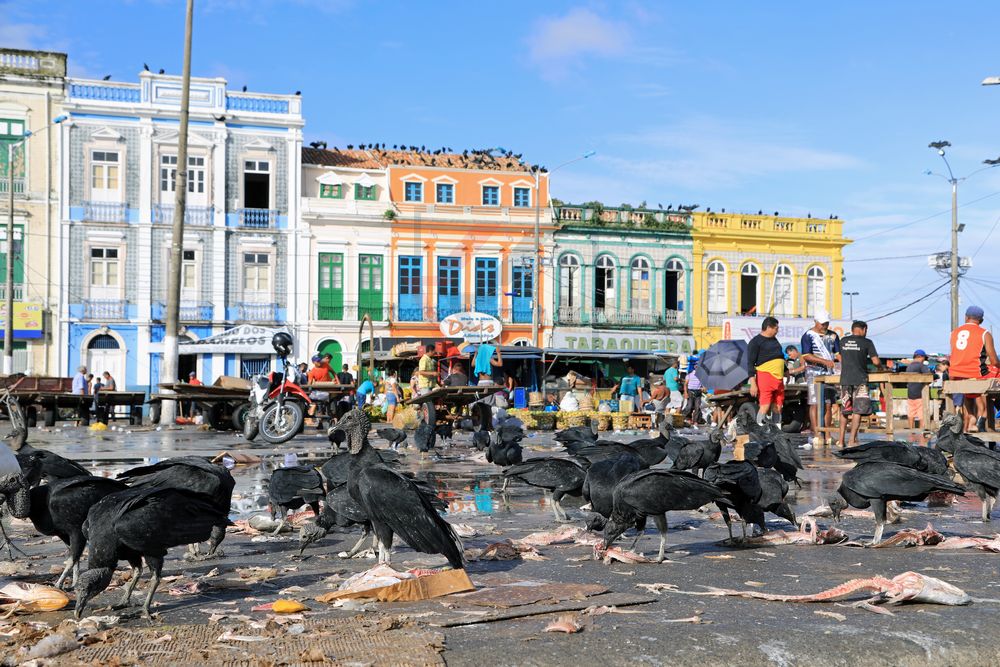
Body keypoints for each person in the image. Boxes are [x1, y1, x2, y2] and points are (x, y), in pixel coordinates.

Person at [949, 306, 1000, 432]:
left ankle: (971, 416)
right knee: (986, 386)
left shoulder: (954, 333)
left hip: (955, 374)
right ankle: (983, 418)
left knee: (968, 387)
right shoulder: (984, 333)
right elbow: (994, 361)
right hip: (976, 374)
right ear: (981, 320)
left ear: (966, 317)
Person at [801, 309, 841, 444]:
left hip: (829, 374)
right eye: (822, 323)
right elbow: (806, 355)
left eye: (827, 323)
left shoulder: (833, 335)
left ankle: (827, 433)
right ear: (815, 321)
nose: (825, 326)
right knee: (815, 404)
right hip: (814, 373)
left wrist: (844, 362)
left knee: (829, 404)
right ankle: (816, 433)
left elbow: (838, 353)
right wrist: (824, 362)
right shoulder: (808, 335)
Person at [838, 320, 880, 447]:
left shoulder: (843, 341)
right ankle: (851, 440)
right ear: (863, 329)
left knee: (845, 410)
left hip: (845, 379)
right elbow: (876, 361)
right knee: (858, 410)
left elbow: (840, 357)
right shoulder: (867, 342)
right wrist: (881, 367)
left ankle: (840, 440)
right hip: (860, 380)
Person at [748, 317, 785, 426]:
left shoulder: (774, 339)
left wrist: (786, 370)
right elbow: (750, 363)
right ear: (768, 327)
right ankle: (759, 428)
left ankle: (777, 431)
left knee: (778, 405)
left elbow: (779, 355)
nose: (777, 331)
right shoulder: (755, 342)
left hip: (778, 377)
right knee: (765, 405)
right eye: (776, 328)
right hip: (765, 375)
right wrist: (753, 384)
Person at [905, 350, 931, 430]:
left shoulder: (909, 366)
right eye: (924, 358)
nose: (924, 360)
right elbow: (928, 376)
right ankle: (922, 432)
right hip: (920, 394)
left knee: (910, 414)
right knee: (921, 414)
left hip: (910, 394)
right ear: (921, 357)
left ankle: (911, 431)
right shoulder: (921, 366)